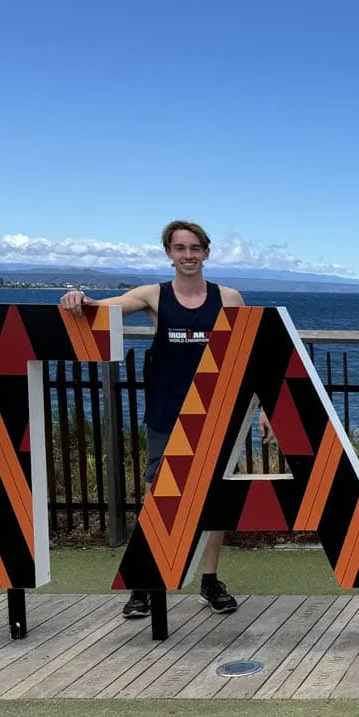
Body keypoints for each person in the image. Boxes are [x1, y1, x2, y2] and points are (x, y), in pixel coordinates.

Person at [60, 220, 256, 618]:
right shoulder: (153, 296)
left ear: (206, 252)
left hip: (217, 411)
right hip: (167, 412)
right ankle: (146, 583)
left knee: (213, 499)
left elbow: (249, 356)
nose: (188, 255)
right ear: (169, 253)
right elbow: (104, 309)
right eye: (180, 248)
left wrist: (263, 409)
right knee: (156, 497)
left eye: (195, 248)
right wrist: (78, 297)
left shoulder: (230, 298)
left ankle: (210, 580)